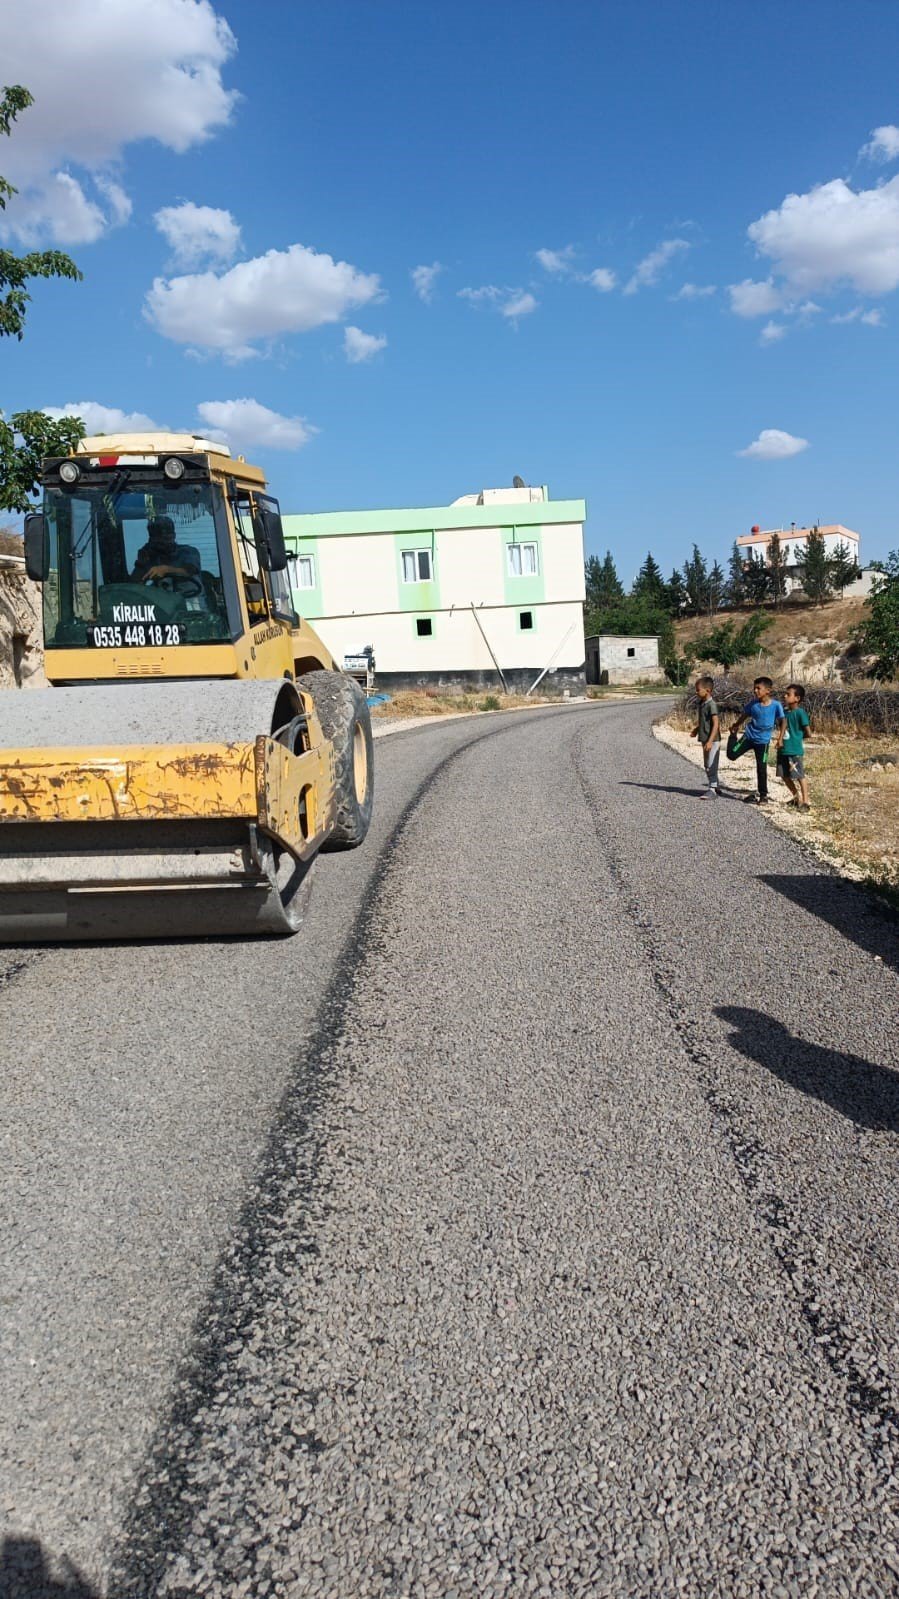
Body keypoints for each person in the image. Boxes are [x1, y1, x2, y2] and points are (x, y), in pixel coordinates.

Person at [727, 675, 785, 805]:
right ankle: (732, 737)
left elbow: (783, 721)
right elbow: (745, 715)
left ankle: (763, 795)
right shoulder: (753, 704)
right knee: (731, 755)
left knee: (761, 768)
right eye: (754, 688)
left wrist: (780, 738)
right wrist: (736, 726)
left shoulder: (776, 705)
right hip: (748, 737)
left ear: (768, 690)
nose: (755, 691)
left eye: (758, 688)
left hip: (763, 742)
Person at [131, 516, 202, 587]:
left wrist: (166, 570)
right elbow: (134, 586)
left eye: (167, 538)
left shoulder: (187, 552)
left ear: (174, 536)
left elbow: (189, 571)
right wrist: (141, 563)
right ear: (151, 540)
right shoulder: (151, 556)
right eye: (159, 540)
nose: (164, 542)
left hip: (189, 596)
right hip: (161, 596)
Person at [775, 682, 811, 811]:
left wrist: (797, 738)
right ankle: (796, 797)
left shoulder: (800, 713)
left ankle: (806, 801)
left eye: (788, 694)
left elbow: (808, 732)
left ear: (797, 698)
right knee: (784, 775)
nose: (785, 696)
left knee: (799, 775)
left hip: (794, 749)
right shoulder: (784, 713)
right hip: (783, 749)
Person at [690, 675, 721, 798]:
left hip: (712, 740)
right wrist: (697, 730)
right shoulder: (702, 704)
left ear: (707, 690)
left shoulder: (711, 705)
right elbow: (704, 721)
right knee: (707, 764)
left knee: (711, 764)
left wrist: (710, 740)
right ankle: (716, 785)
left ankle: (712, 789)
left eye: (698, 690)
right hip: (705, 738)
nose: (696, 692)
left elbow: (716, 724)